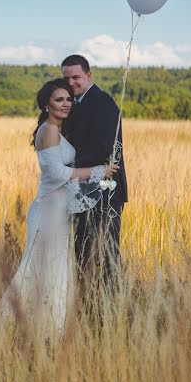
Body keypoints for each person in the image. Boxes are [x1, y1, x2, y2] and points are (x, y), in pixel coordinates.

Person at [0, 78, 118, 333]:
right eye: (58, 100)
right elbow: (55, 173)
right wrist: (99, 171)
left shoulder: (55, 129)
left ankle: (46, 326)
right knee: (43, 266)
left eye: (68, 99)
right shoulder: (49, 130)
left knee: (53, 266)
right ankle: (28, 325)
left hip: (57, 208)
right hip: (49, 210)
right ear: (46, 104)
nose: (66, 104)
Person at [61, 55, 127, 285]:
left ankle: (110, 308)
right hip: (82, 191)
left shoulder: (102, 103)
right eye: (66, 78)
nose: (71, 83)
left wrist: (67, 167)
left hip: (105, 192)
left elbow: (104, 148)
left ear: (88, 76)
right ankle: (87, 304)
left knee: (107, 255)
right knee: (83, 253)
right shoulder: (75, 104)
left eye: (76, 77)